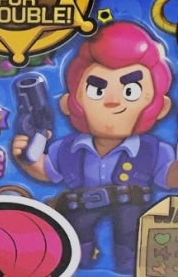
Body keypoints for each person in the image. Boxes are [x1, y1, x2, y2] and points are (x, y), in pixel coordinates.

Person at [11, 21, 178, 274]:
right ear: (69, 103)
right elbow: (48, 171)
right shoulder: (68, 148)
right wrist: (28, 160)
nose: (112, 101)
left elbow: (170, 177)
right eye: (96, 90)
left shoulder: (153, 151)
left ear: (160, 107)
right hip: (79, 207)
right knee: (74, 246)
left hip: (130, 208)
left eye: (130, 91)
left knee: (130, 245)